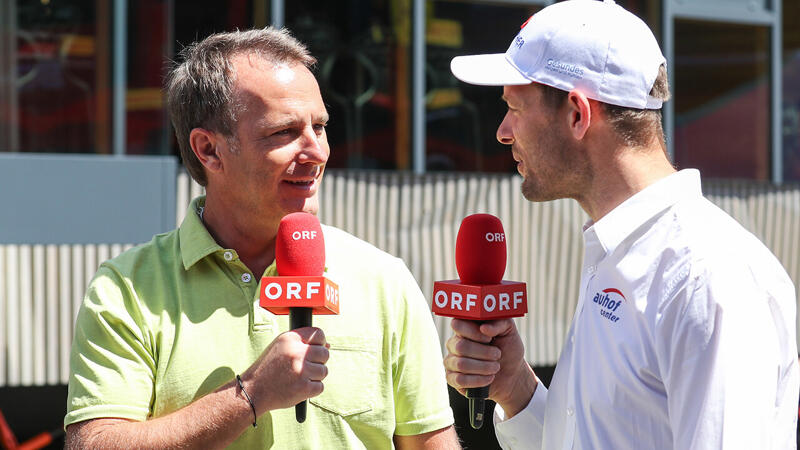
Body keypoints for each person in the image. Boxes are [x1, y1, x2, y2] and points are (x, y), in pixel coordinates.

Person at [64, 27, 459, 449]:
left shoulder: (384, 281)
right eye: (284, 132)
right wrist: (250, 394)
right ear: (208, 150)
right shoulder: (127, 288)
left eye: (320, 127)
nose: (317, 152)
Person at [443, 1, 800, 449]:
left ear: (577, 113)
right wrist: (517, 389)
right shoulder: (627, 252)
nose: (502, 131)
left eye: (514, 107)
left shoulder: (703, 274)